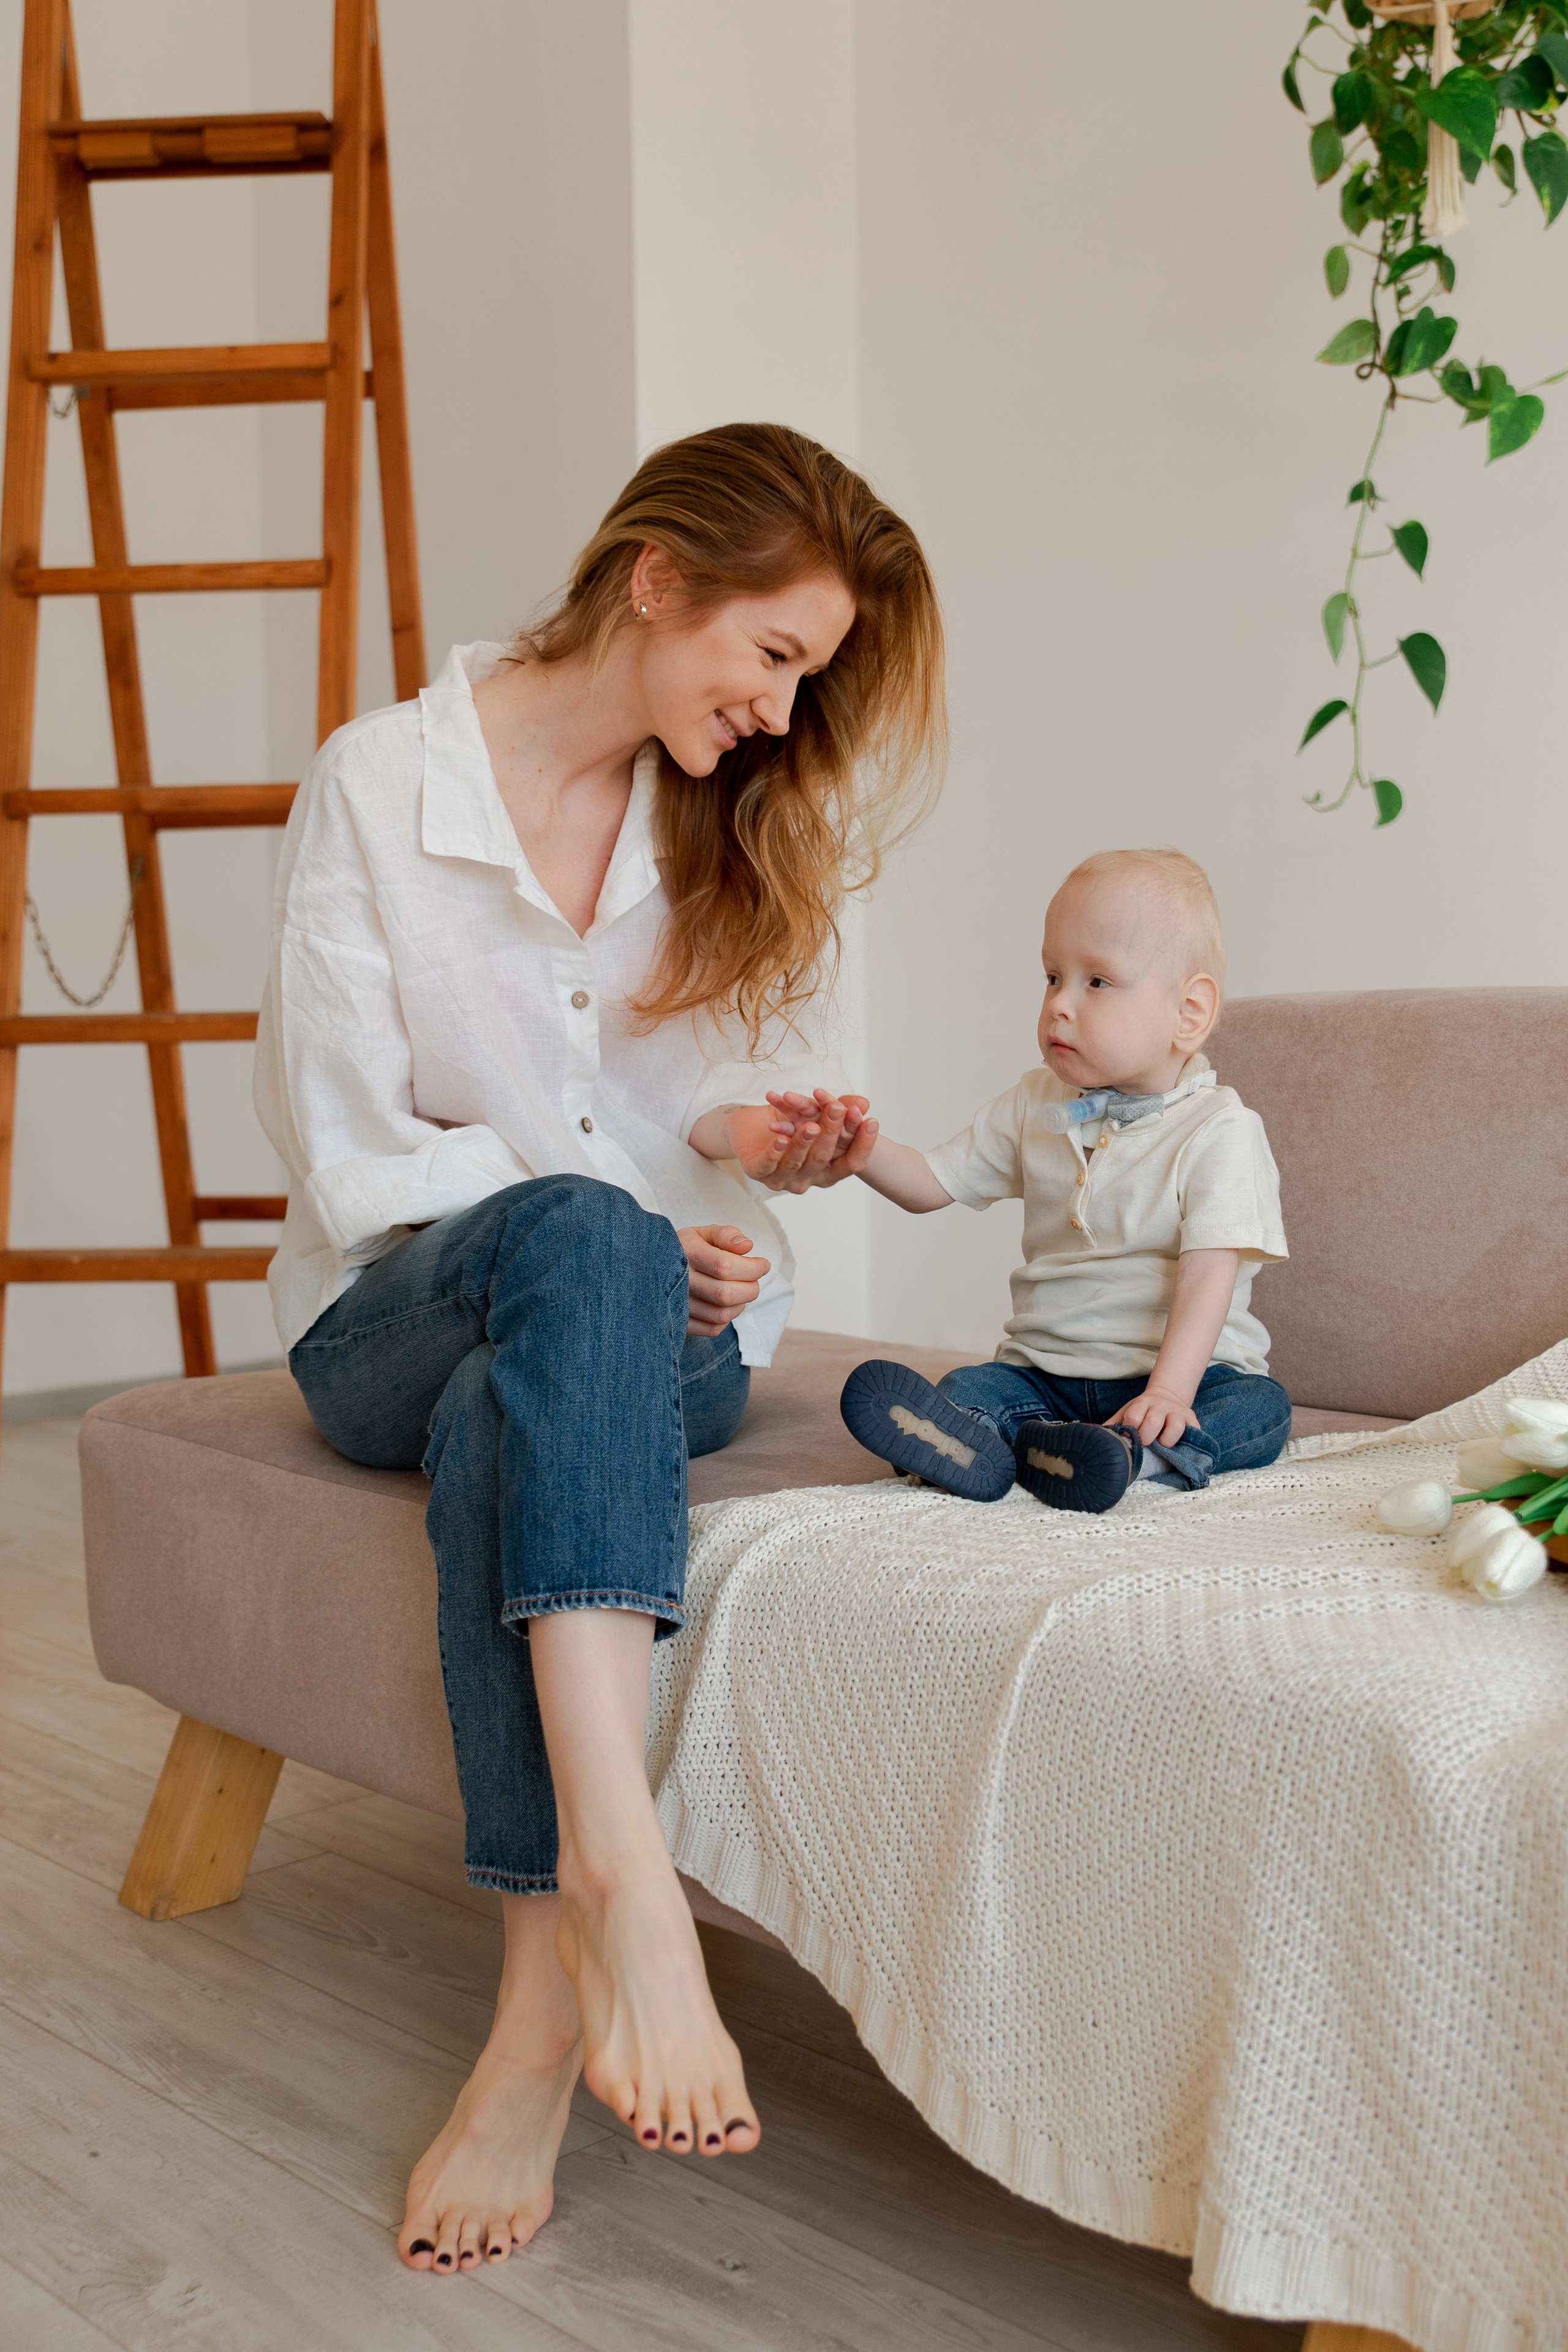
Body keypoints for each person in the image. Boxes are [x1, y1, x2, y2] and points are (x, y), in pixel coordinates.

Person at [254, 423, 944, 2274]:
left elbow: (692, 1122)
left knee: (544, 1366)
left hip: (650, 1343)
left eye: (805, 674)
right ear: (657, 578)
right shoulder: (380, 784)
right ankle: (628, 1879)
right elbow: (352, 1146)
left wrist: (742, 1157)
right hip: (392, 1315)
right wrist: (621, 1230)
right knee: (572, 1244)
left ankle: (543, 2004)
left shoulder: (723, 827)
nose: (782, 710)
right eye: (772, 652)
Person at [817, 849, 1291, 1510]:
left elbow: (1209, 1273)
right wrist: (861, 1151)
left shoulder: (1220, 1130)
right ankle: (980, 1439)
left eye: (1097, 981)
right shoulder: (1038, 1103)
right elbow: (931, 1182)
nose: (1059, 1005)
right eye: (1051, 977)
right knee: (970, 1387)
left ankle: (1133, 1454)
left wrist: (1168, 1393)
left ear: (1188, 1012)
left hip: (1183, 1377)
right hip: (1044, 1375)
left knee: (1260, 1408)